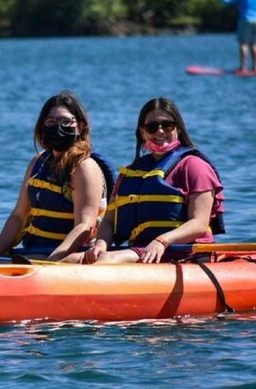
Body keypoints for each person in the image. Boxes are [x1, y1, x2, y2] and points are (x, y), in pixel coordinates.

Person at [81, 97, 225, 264]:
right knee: (74, 258)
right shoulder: (130, 173)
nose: (160, 131)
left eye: (167, 125)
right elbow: (109, 221)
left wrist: (162, 241)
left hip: (184, 252)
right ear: (143, 132)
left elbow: (199, 224)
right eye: (152, 127)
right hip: (142, 251)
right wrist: (100, 245)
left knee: (108, 260)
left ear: (177, 128)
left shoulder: (195, 167)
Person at [0, 91, 115, 261]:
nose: (58, 127)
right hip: (33, 251)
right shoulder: (38, 162)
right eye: (51, 121)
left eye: (66, 121)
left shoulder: (84, 167)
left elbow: (85, 225)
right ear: (42, 126)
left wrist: (53, 261)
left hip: (68, 255)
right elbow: (19, 215)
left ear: (81, 125)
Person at [218, 0, 256, 72]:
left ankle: (243, 68)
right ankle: (255, 68)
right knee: (254, 44)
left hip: (245, 20)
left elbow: (228, 2)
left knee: (244, 43)